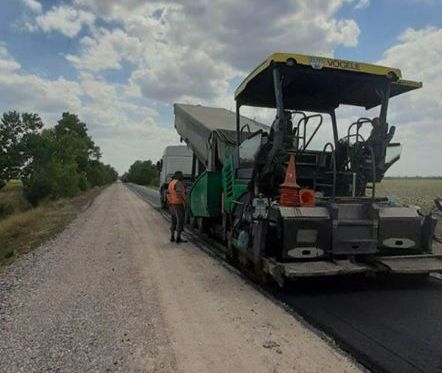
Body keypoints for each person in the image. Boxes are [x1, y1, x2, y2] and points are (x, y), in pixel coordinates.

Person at [167, 170, 187, 243]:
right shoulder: (178, 183)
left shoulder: (171, 183)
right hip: (178, 205)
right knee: (180, 220)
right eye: (181, 175)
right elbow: (180, 193)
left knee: (173, 221)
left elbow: (168, 193)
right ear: (178, 176)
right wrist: (186, 201)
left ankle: (172, 237)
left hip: (171, 204)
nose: (182, 177)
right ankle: (178, 238)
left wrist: (169, 202)